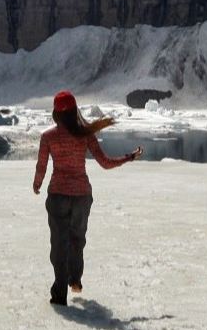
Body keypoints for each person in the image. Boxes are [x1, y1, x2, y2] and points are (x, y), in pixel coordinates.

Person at [31, 90, 141, 307]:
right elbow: (105, 162)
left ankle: (59, 294)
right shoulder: (85, 135)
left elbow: (41, 166)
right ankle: (75, 280)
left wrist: (37, 184)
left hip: (58, 195)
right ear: (74, 112)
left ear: (56, 113)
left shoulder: (48, 137)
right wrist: (129, 157)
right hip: (82, 196)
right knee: (77, 240)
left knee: (58, 244)